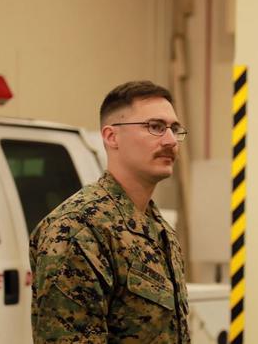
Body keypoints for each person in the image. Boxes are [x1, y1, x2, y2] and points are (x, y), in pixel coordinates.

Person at [30, 81, 190, 343]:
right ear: (111, 136)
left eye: (174, 129)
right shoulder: (78, 229)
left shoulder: (158, 229)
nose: (171, 140)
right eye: (156, 127)